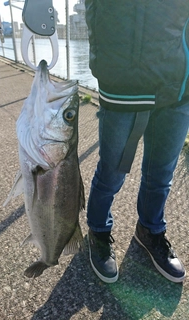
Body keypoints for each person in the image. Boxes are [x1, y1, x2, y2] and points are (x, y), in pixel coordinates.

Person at [85, 0, 189, 283]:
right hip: (123, 82)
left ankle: (150, 230)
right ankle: (98, 230)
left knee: (161, 175)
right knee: (112, 173)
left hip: (178, 84)